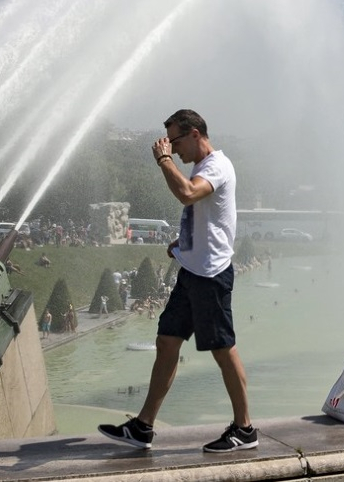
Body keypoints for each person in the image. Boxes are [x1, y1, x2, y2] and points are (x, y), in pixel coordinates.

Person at [99, 109, 254, 453]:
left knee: (223, 350)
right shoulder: (203, 166)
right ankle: (143, 427)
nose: (172, 147)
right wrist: (184, 244)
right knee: (167, 342)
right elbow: (210, 218)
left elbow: (186, 194)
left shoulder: (215, 166)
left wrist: (164, 160)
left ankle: (244, 428)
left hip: (211, 276)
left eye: (175, 139)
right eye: (169, 141)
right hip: (192, 273)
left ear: (195, 133)